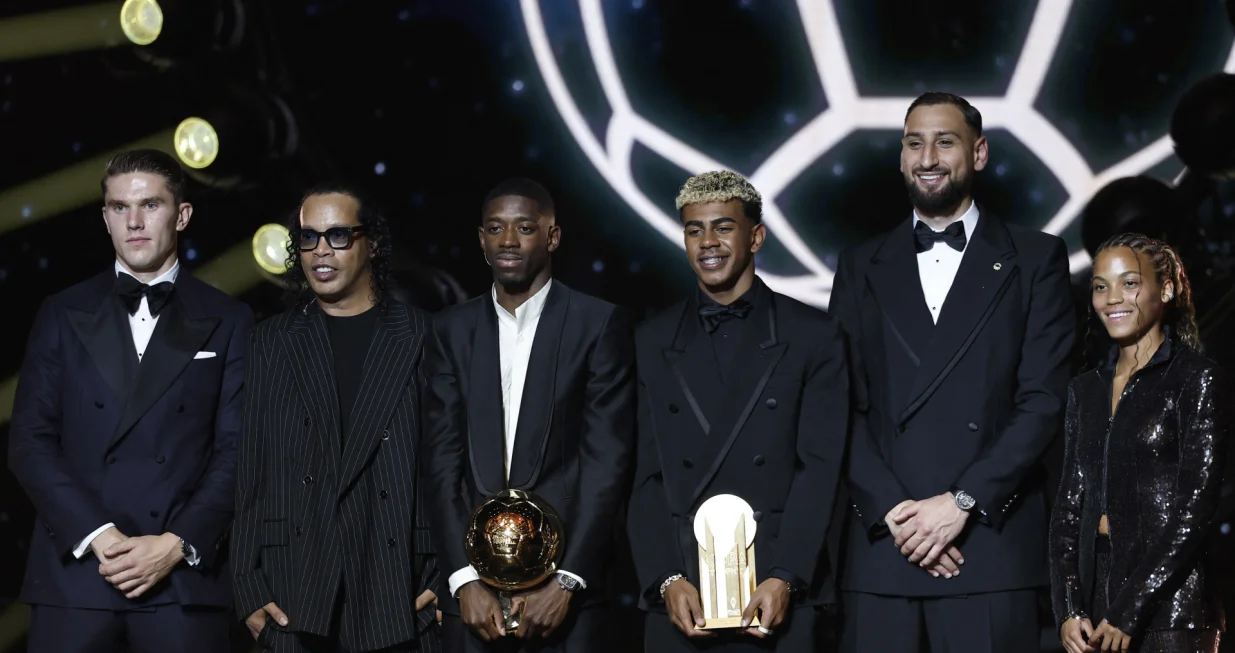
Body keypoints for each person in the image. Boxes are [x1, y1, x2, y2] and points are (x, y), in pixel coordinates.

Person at [828, 92, 1077, 653]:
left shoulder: (1036, 259)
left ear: (980, 153)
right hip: (885, 550)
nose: (928, 157)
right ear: (900, 157)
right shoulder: (859, 264)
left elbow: (1043, 400)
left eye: (945, 141)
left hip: (988, 546)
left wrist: (961, 502)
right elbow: (840, 404)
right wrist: (898, 513)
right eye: (914, 143)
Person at [8, 149, 253, 652]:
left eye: (150, 205)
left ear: (181, 215)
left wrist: (174, 544)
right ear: (105, 218)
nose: (134, 222)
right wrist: (99, 535)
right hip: (76, 573)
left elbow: (239, 449)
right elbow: (30, 441)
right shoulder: (61, 312)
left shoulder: (230, 318)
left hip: (181, 581)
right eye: (120, 207)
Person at [627, 170, 850, 652]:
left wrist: (786, 576)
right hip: (684, 595)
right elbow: (643, 477)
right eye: (694, 229)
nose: (708, 242)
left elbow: (820, 469)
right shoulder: (650, 339)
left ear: (756, 236)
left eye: (723, 227)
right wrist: (667, 579)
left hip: (779, 590)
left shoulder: (813, 335)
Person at [421, 178, 634, 653]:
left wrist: (568, 581)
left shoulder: (597, 324)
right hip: (473, 597)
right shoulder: (449, 330)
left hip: (563, 596)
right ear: (481, 240)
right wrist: (462, 580)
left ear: (552, 237)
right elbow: (439, 462)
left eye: (524, 227)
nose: (508, 241)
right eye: (495, 228)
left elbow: (606, 462)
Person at [231, 183, 441, 652]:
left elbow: (453, 461)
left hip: (400, 583)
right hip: (296, 587)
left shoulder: (426, 334)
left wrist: (451, 573)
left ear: (374, 243)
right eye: (309, 238)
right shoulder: (272, 341)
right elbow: (252, 467)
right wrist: (246, 584)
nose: (321, 251)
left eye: (338, 236)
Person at [1050, 233, 1231, 653]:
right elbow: (1067, 509)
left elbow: (1194, 512)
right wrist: (1068, 608)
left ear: (1165, 289)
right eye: (1101, 286)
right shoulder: (1085, 390)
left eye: (1129, 283)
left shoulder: (1195, 379)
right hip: (1096, 611)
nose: (1113, 298)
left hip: (1173, 614)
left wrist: (1129, 610)